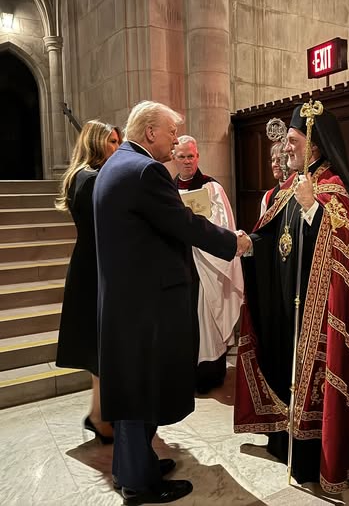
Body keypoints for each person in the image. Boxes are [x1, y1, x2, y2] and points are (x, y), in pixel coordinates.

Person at [93, 100, 249, 505]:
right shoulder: (145, 171)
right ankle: (139, 483)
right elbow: (183, 223)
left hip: (127, 300)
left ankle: (135, 464)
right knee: (140, 392)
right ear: (150, 133)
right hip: (144, 305)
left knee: (135, 389)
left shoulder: (116, 164)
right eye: (171, 132)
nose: (175, 139)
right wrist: (234, 242)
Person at [234, 102, 349, 492]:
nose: (286, 148)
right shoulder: (288, 187)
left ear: (315, 145)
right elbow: (273, 239)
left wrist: (312, 207)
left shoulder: (334, 190)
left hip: (321, 310)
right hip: (287, 303)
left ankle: (318, 456)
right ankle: (285, 439)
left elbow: (346, 247)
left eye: (292, 141)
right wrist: (249, 245)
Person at [55, 120, 122, 443]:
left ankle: (99, 414)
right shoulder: (92, 180)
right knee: (101, 348)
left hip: (89, 264)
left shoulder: (80, 177)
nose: (117, 147)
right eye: (111, 141)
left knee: (99, 350)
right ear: (96, 143)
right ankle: (100, 416)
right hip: (94, 268)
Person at [171, 135, 244, 394]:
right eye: (182, 156)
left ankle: (208, 373)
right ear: (174, 159)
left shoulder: (212, 188)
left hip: (206, 265)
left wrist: (198, 232)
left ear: (198, 156)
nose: (188, 161)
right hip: (178, 263)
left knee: (206, 314)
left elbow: (224, 226)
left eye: (191, 156)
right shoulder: (167, 190)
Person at [259, 141, 288, 217]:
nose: (275, 164)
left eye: (279, 160)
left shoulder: (300, 192)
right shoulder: (268, 196)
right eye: (273, 160)